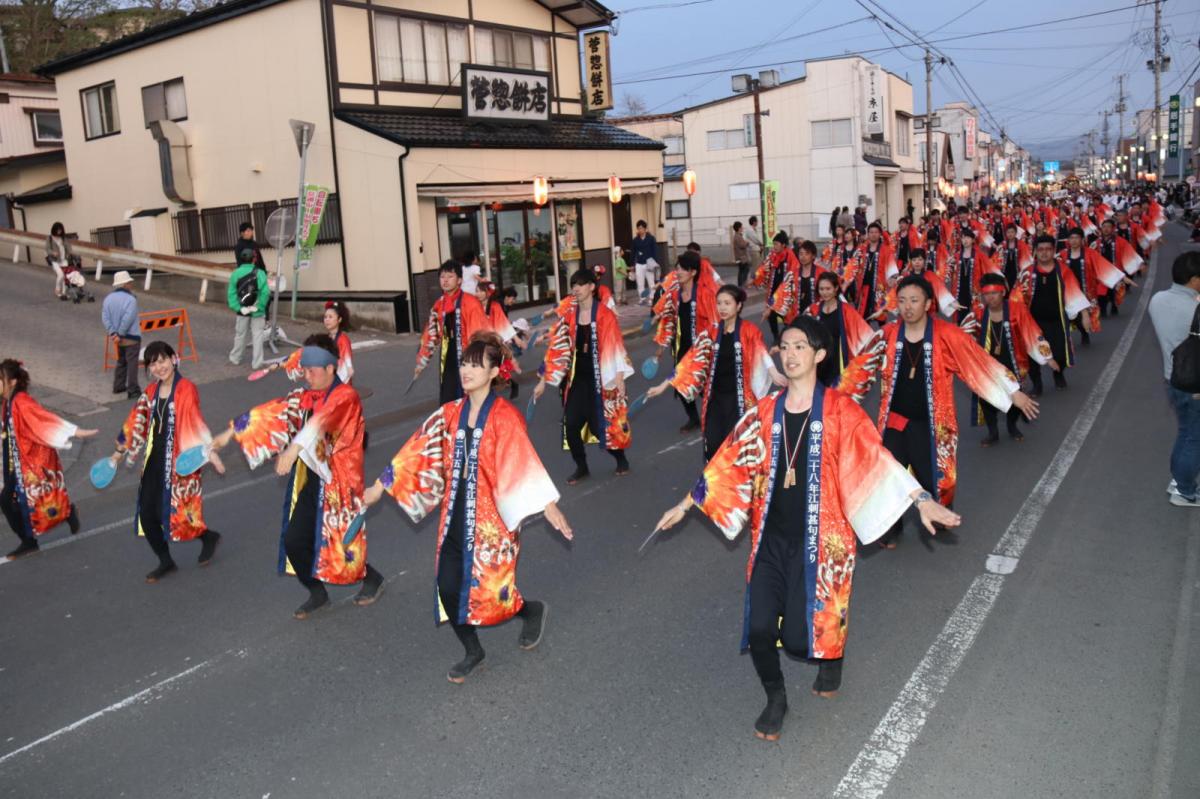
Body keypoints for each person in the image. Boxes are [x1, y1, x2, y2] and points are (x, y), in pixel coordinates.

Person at [652, 317, 960, 742]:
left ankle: (832, 659)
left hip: (822, 542)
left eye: (801, 346)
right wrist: (685, 504)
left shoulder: (841, 411)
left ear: (818, 355)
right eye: (785, 345)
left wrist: (921, 500)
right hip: (770, 540)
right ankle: (775, 698)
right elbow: (728, 461)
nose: (791, 353)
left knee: (802, 638)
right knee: (759, 628)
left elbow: (876, 460)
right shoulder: (764, 412)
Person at [364, 332, 572, 683]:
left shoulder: (505, 417)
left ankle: (529, 610)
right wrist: (380, 486)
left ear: (494, 372)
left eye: (477, 364)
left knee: (491, 592)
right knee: (448, 587)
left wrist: (548, 505)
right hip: (454, 516)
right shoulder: (448, 413)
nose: (467, 370)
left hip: (492, 523)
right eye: (464, 362)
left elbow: (521, 461)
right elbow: (415, 452)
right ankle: (473, 651)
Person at [845, 276, 1039, 548]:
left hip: (933, 424)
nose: (907, 307)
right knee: (888, 475)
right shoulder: (887, 334)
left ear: (927, 304)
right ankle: (890, 529)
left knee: (934, 474)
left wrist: (1012, 392)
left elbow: (977, 362)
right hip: (894, 421)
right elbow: (859, 371)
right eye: (901, 301)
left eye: (914, 300)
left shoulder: (947, 335)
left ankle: (938, 513)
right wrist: (832, 403)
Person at [210, 334, 384, 618]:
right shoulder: (303, 397)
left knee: (341, 544)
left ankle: (372, 578)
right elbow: (269, 413)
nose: (306, 375)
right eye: (304, 369)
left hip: (340, 482)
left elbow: (321, 420)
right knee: (294, 541)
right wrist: (228, 434)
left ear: (330, 368)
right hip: (312, 478)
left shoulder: (346, 397)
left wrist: (293, 449)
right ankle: (317, 592)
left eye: (312, 370)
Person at [109, 342, 225, 582]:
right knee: (146, 514)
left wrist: (210, 452)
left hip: (180, 461)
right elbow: (135, 421)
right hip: (154, 461)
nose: (158, 367)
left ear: (174, 359)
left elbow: (194, 420)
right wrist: (119, 452)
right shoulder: (150, 392)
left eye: (162, 360)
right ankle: (166, 560)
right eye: (153, 363)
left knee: (176, 513)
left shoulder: (186, 389)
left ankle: (207, 536)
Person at [648, 285, 779, 460]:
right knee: (714, 446)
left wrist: (775, 373)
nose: (722, 308)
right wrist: (664, 385)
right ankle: (715, 485)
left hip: (739, 399)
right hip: (715, 399)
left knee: (736, 449)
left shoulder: (749, 331)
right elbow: (690, 360)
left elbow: (762, 355)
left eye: (727, 303)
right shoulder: (711, 332)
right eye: (719, 303)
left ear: (738, 306)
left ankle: (734, 486)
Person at [533, 269, 632, 484]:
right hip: (578, 381)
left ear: (591, 287)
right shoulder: (570, 316)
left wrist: (619, 378)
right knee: (571, 426)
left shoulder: (605, 315)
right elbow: (556, 349)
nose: (575, 289)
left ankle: (620, 458)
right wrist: (543, 381)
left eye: (579, 284)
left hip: (601, 379)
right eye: (573, 285)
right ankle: (582, 466)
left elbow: (615, 346)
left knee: (601, 428)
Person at [1, 359, 95, 559]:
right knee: (14, 501)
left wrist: (74, 431)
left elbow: (44, 419)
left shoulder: (22, 402)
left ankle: (36, 535)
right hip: (14, 461)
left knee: (32, 501)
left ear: (12, 381)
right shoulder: (7, 402)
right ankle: (34, 536)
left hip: (31, 460)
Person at [971, 274, 1058, 446]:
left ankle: (1012, 426)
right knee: (987, 398)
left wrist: (1048, 358)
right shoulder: (978, 313)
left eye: (995, 293)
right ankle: (993, 432)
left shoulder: (1017, 309)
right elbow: (964, 339)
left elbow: (1033, 332)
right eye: (987, 294)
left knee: (1014, 397)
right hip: (988, 364)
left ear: (1003, 292)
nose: (991, 297)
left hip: (1014, 361)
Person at [1148, 251, 1200, 507]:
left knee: (1186, 432)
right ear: (1193, 280)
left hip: (1173, 378)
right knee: (1194, 437)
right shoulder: (1194, 308)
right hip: (1195, 384)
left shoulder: (1157, 300)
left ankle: (1180, 480)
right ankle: (1185, 491)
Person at [653, 250, 718, 433]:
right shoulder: (676, 295)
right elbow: (670, 322)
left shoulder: (705, 295)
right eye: (677, 268)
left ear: (693, 272)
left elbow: (715, 323)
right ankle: (694, 419)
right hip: (682, 348)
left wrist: (710, 347)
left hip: (702, 350)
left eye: (682, 268)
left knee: (706, 388)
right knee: (681, 386)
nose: (678, 272)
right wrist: (662, 346)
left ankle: (714, 419)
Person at [1018, 235, 1091, 394]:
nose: (1044, 253)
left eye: (1048, 249)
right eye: (1040, 250)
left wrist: (1084, 314)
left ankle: (1058, 374)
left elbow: (1075, 293)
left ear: (1053, 251)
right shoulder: (1027, 273)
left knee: (1060, 353)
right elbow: (1016, 298)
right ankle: (1037, 384)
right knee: (1032, 355)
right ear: (1035, 252)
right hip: (1033, 323)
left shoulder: (1063, 271)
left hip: (1057, 321)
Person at [415, 261, 491, 404]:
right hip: (447, 357)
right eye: (442, 276)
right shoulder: (439, 304)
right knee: (448, 399)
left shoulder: (471, 303)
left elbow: (480, 336)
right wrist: (421, 361)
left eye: (450, 276)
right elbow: (431, 334)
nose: (445, 280)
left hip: (468, 357)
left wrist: (477, 361)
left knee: (470, 398)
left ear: (460, 280)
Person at [808, 272, 880, 388]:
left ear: (836, 288)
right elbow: (801, 331)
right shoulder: (814, 309)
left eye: (828, 288)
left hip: (838, 361)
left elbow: (866, 335)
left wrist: (879, 349)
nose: (824, 292)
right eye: (821, 289)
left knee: (836, 396)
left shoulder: (846, 310)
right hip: (818, 361)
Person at [846, 222, 897, 323]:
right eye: (871, 232)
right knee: (863, 317)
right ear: (868, 234)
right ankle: (867, 337)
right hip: (864, 287)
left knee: (881, 317)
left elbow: (892, 269)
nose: (873, 234)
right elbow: (852, 267)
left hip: (879, 288)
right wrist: (844, 282)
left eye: (876, 232)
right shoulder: (861, 249)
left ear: (880, 234)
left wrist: (892, 280)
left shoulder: (886, 250)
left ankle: (883, 337)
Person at [102, 270, 142, 399]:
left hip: (117, 337)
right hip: (131, 337)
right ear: (125, 284)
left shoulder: (108, 299)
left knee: (121, 361)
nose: (131, 284)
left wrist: (113, 333)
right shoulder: (131, 299)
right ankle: (133, 389)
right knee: (132, 363)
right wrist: (120, 333)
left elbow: (105, 318)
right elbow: (128, 318)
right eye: (129, 282)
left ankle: (118, 386)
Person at [754, 231, 799, 344]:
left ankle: (788, 337)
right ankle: (776, 337)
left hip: (785, 292)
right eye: (773, 244)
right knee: (771, 316)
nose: (774, 247)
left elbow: (794, 272)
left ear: (783, 245)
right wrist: (755, 277)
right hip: (773, 291)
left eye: (776, 244)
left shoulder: (790, 256)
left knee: (787, 317)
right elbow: (764, 267)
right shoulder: (772, 255)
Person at [228, 249, 269, 370]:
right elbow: (265, 292)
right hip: (257, 310)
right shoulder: (260, 273)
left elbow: (231, 294)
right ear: (254, 259)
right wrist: (259, 306)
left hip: (242, 310)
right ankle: (257, 363)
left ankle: (235, 358)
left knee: (240, 334)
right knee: (257, 335)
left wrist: (239, 308)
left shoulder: (235, 274)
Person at [768, 240, 825, 326]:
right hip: (794, 315)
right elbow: (781, 291)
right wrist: (769, 307)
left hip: (814, 315)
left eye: (807, 254)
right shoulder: (792, 273)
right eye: (801, 254)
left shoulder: (821, 273)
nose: (803, 257)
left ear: (813, 256)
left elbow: (832, 290)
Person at [630, 220, 658, 304]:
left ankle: (652, 298)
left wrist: (655, 263)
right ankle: (642, 299)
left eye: (641, 228)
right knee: (640, 283)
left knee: (651, 282)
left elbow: (655, 251)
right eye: (638, 228)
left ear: (645, 229)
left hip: (649, 263)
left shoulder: (651, 238)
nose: (640, 230)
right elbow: (633, 252)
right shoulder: (635, 240)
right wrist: (632, 265)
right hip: (639, 264)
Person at [45, 222, 72, 301]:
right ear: (54, 230)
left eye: (60, 230)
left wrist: (69, 254)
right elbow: (47, 249)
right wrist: (53, 253)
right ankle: (57, 289)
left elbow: (68, 247)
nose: (59, 232)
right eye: (58, 230)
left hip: (64, 259)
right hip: (55, 260)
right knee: (60, 274)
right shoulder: (49, 238)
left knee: (66, 277)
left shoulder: (63, 238)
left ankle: (64, 293)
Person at [732, 221, 751, 289]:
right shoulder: (738, 236)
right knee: (745, 270)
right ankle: (742, 284)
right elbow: (742, 245)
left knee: (742, 270)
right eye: (741, 227)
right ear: (739, 228)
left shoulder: (737, 236)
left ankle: (741, 284)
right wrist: (747, 243)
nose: (742, 228)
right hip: (742, 257)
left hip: (740, 257)